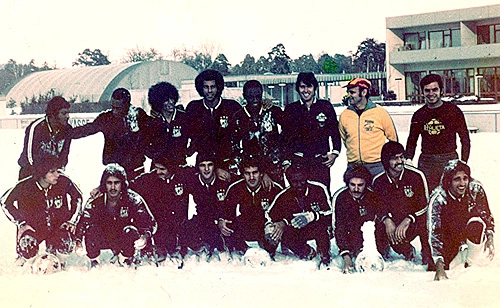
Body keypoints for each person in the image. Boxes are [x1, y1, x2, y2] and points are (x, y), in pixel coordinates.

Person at [1, 154, 83, 265]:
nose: (57, 175)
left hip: (57, 227)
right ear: (41, 173)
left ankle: (59, 261)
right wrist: (21, 223)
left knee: (66, 242)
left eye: (57, 171)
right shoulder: (26, 186)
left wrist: (71, 221)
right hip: (34, 228)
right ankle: (30, 262)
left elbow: (77, 197)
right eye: (52, 172)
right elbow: (5, 201)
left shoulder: (63, 182)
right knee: (27, 244)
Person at [75, 163, 157, 267]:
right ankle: (95, 261)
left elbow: (150, 222)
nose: (113, 187)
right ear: (104, 184)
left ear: (122, 183)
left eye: (116, 183)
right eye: (109, 183)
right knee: (91, 229)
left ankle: (125, 259)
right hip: (104, 236)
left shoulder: (133, 198)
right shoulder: (96, 199)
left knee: (130, 230)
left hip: (123, 237)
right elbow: (83, 221)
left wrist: (145, 236)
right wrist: (78, 242)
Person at [429, 160, 494, 281]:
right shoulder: (438, 198)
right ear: (449, 181)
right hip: (447, 237)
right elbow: (433, 232)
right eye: (457, 179)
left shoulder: (475, 189)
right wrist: (439, 264)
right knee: (440, 266)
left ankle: (468, 265)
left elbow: (486, 215)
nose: (462, 183)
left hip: (466, 231)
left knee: (477, 223)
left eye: (465, 178)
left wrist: (489, 237)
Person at [405, 74, 471, 191]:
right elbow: (412, 140)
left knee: (450, 196)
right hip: (427, 162)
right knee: (428, 196)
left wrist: (463, 162)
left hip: (449, 159)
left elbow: (465, 139)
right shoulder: (419, 115)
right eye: (427, 90)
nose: (431, 94)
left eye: (435, 90)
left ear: (441, 90)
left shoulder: (453, 111)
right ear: (423, 92)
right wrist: (408, 159)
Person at [372, 141, 432, 265]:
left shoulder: (416, 176)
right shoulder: (379, 181)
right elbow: (377, 206)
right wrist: (387, 221)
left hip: (413, 220)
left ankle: (428, 253)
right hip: (393, 222)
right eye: (394, 158)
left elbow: (424, 204)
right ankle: (401, 249)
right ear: (386, 161)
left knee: (425, 222)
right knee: (378, 224)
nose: (399, 161)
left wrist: (409, 219)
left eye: (401, 157)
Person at [70, 88, 151, 179]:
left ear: (127, 105)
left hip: (135, 170)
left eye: (118, 108)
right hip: (114, 170)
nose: (115, 111)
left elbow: (154, 132)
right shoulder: (106, 118)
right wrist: (66, 133)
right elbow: (87, 129)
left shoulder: (139, 116)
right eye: (113, 107)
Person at [265, 163, 332, 267]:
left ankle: (324, 255)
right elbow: (269, 215)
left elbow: (331, 213)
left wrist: (312, 216)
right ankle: (307, 252)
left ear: (307, 178)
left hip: (316, 227)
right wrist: (278, 224)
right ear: (289, 181)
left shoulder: (319, 189)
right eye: (295, 182)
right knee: (279, 232)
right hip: (296, 229)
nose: (299, 185)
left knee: (323, 227)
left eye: (302, 181)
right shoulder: (283, 196)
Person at [282, 72, 341, 189]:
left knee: (322, 195)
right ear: (297, 89)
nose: (306, 90)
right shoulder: (291, 109)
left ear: (315, 88)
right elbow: (284, 138)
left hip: (320, 162)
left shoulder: (325, 106)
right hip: (298, 161)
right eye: (302, 87)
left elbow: (335, 132)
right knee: (299, 197)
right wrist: (286, 162)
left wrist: (335, 153)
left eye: (309, 86)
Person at [185, 70, 243, 181]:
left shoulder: (232, 107)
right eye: (206, 87)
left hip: (229, 165)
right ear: (200, 89)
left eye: (213, 87)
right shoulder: (193, 108)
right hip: (205, 166)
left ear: (219, 87)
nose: (210, 91)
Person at [129, 153, 189, 261]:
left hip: (178, 223)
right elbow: (127, 185)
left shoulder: (182, 176)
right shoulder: (149, 179)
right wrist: (101, 188)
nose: (158, 172)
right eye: (156, 168)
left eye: (162, 169)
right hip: (160, 224)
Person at [219, 156, 282, 255]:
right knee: (227, 224)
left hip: (265, 224)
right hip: (246, 223)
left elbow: (285, 210)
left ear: (261, 173)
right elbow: (226, 210)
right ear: (243, 175)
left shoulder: (272, 187)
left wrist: (280, 224)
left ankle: (268, 250)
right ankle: (244, 250)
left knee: (273, 229)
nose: (251, 177)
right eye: (247, 173)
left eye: (255, 173)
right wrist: (222, 221)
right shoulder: (236, 188)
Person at [339, 78, 398, 176]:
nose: (349, 95)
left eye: (352, 92)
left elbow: (393, 139)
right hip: (354, 166)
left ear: (364, 92)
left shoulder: (380, 112)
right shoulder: (345, 115)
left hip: (377, 166)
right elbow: (345, 139)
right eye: (348, 92)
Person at [234, 80, 285, 185]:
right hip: (251, 171)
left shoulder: (274, 111)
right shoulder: (238, 117)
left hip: (273, 169)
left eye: (258, 96)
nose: (255, 100)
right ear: (244, 96)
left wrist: (283, 157)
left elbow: (289, 132)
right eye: (250, 96)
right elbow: (234, 146)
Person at [333, 165, 380, 274]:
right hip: (351, 237)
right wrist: (346, 256)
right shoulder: (340, 198)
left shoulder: (373, 196)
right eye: (352, 185)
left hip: (370, 237)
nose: (356, 189)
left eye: (360, 185)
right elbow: (339, 228)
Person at [183, 152, 229, 255]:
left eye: (210, 165)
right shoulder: (193, 181)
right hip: (203, 219)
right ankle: (202, 247)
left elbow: (242, 181)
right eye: (203, 165)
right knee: (187, 228)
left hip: (221, 220)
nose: (206, 169)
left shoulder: (222, 181)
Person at [17, 96, 72, 180]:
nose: (68, 116)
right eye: (64, 113)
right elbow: (29, 157)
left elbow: (64, 155)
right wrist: (43, 175)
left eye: (68, 113)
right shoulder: (37, 127)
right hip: (30, 174)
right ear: (53, 114)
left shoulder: (67, 129)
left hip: (52, 175)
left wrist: (57, 172)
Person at [146, 82, 189, 166]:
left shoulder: (184, 117)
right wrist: (154, 155)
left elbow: (196, 138)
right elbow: (145, 144)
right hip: (159, 166)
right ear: (158, 102)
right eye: (166, 100)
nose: (170, 102)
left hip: (179, 164)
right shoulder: (153, 122)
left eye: (172, 99)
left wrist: (186, 152)